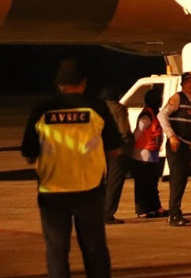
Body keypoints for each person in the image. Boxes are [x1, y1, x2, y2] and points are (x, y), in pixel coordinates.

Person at [22, 59, 122, 278]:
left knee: (57, 251)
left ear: (58, 84)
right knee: (94, 248)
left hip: (52, 192)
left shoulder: (42, 110)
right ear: (83, 83)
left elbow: (29, 154)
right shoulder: (97, 108)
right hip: (90, 190)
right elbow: (115, 149)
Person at [157, 71, 191, 226]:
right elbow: (162, 115)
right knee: (177, 180)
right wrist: (171, 135)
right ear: (182, 83)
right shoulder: (177, 98)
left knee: (182, 180)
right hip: (176, 144)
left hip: (186, 146)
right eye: (188, 81)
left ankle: (177, 211)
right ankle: (173, 215)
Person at [131, 86, 167, 219]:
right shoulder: (146, 115)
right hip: (143, 153)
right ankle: (143, 210)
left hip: (152, 153)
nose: (161, 100)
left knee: (152, 183)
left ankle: (155, 207)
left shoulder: (153, 113)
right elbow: (138, 131)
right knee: (143, 183)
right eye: (159, 99)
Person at [100, 87, 133, 225]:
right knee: (114, 183)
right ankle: (108, 214)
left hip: (98, 150)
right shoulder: (119, 109)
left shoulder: (96, 109)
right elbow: (123, 130)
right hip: (116, 150)